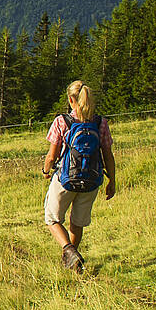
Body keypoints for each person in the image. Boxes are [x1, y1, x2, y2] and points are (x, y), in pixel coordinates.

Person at [39, 80, 115, 274]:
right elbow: (108, 155)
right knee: (78, 222)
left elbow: (52, 155)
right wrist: (112, 180)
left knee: (52, 218)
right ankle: (74, 262)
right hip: (91, 180)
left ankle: (69, 251)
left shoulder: (62, 121)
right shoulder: (100, 123)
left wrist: (46, 170)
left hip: (66, 179)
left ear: (71, 99)